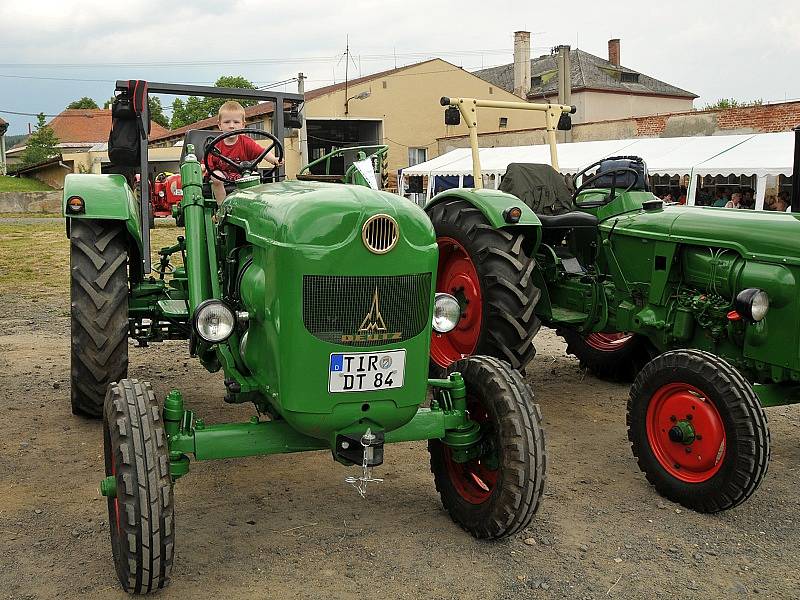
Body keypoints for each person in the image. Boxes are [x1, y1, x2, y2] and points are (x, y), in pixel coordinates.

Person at [204, 100, 283, 203]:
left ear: (243, 125)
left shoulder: (246, 142)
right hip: (223, 175)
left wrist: (274, 160)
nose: (231, 126)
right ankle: (222, 208)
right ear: (219, 125)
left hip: (244, 173)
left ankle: (253, 205)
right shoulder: (215, 146)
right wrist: (200, 168)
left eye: (236, 122)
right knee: (216, 178)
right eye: (227, 122)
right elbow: (206, 163)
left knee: (255, 177)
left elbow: (262, 152)